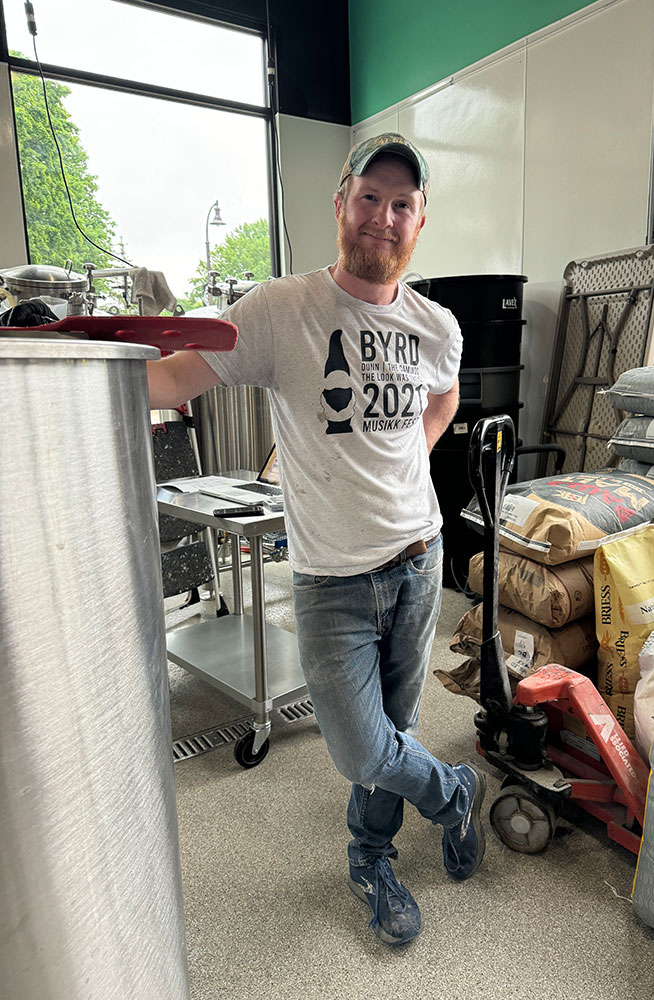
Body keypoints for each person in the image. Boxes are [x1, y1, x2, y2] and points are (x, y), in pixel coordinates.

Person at [147, 133, 486, 946]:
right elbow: (175, 376)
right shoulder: (278, 309)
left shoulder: (436, 326)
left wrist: (412, 456)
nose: (383, 217)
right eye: (369, 197)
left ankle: (372, 858)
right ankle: (453, 793)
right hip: (332, 579)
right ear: (340, 205)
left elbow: (443, 400)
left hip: (419, 560)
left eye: (402, 204)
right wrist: (77, 361)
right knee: (364, 750)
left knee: (395, 728)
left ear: (419, 222)